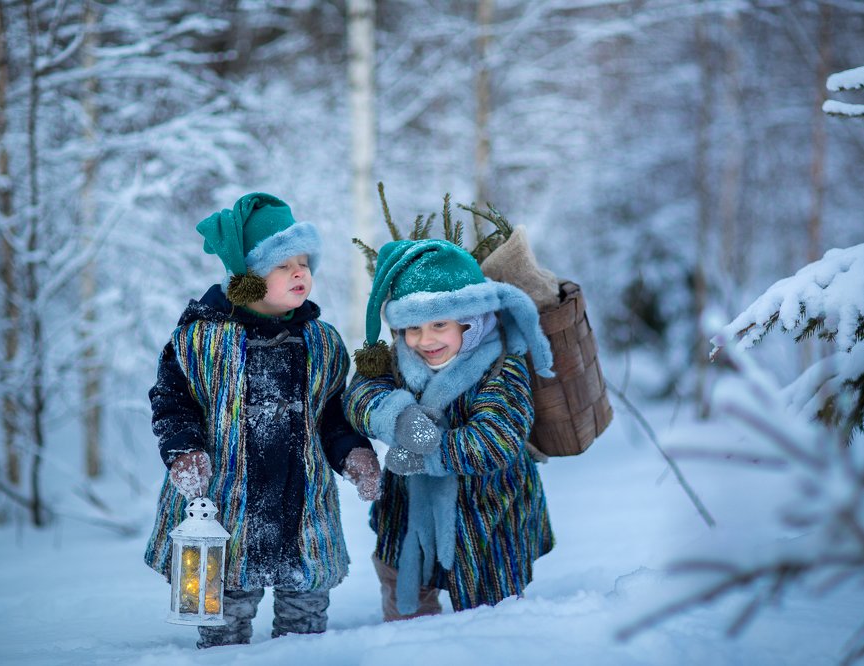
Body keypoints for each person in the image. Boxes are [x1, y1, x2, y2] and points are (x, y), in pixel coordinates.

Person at [143, 192, 381, 648]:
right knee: (222, 614)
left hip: (301, 506)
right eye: (281, 264)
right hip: (225, 505)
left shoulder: (323, 342)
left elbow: (333, 413)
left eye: (304, 262)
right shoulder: (200, 341)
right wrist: (182, 450)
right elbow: (172, 402)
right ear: (248, 278)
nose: (299, 272)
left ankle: (304, 654)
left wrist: (353, 453)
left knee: (306, 614)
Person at [343, 238, 555, 620]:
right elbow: (359, 396)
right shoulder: (397, 359)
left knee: (489, 616)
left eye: (439, 324)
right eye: (412, 327)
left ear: (469, 320)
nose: (425, 340)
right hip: (406, 514)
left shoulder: (501, 367)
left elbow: (494, 441)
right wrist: (399, 417)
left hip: (488, 517)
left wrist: (428, 452)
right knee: (403, 598)